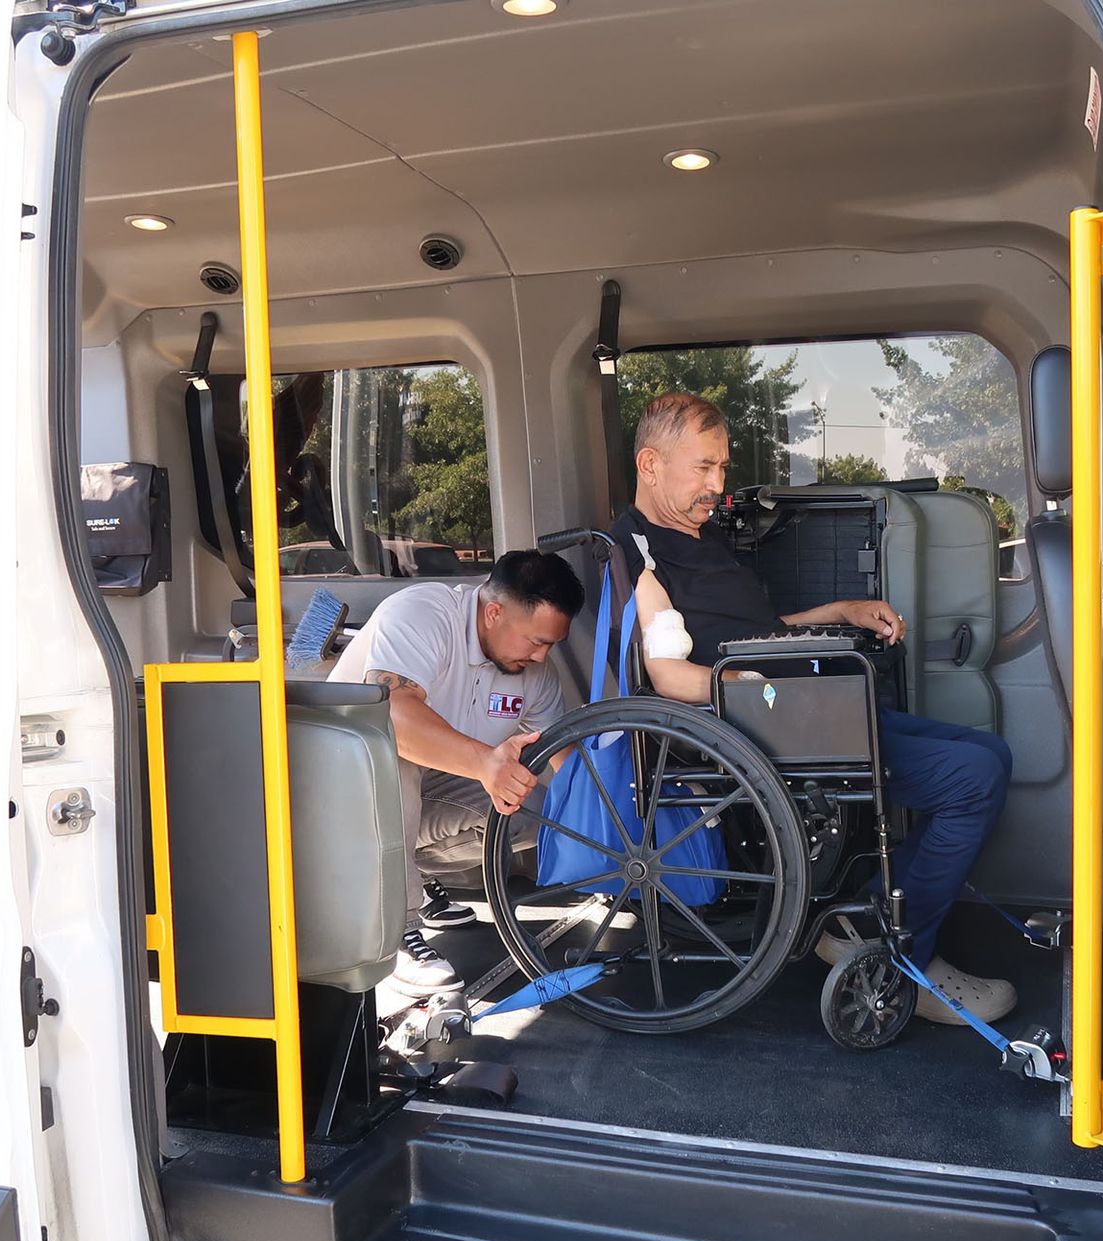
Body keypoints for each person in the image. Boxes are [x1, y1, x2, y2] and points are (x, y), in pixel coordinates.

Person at [611, 393, 1015, 1024]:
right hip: (762, 726)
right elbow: (667, 675)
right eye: (703, 467)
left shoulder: (703, 538)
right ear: (650, 465)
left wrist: (842, 611)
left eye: (722, 468)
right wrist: (750, 686)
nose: (718, 485)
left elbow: (760, 632)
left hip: (802, 706)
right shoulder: (640, 554)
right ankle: (898, 957)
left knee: (989, 752)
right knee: (974, 779)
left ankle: (864, 922)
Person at [328, 549, 583, 997]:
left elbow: (566, 765)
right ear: (494, 612)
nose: (542, 656)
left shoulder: (534, 672)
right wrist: (486, 763)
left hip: (421, 794)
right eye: (535, 641)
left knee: (534, 810)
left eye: (551, 645)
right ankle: (393, 935)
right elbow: (392, 714)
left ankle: (411, 875)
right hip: (336, 789)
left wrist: (610, 829)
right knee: (394, 752)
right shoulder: (422, 614)